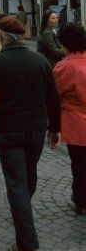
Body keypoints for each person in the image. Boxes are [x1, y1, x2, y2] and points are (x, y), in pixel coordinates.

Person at [0, 17, 61, 251]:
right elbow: (53, 99)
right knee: (28, 176)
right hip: (36, 130)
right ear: (22, 36)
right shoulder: (40, 61)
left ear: (2, 37)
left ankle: (27, 242)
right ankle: (23, 211)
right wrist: (55, 129)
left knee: (17, 183)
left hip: (9, 131)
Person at [54, 24, 86, 215]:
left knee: (79, 164)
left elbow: (53, 96)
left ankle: (80, 199)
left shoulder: (64, 67)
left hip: (76, 123)